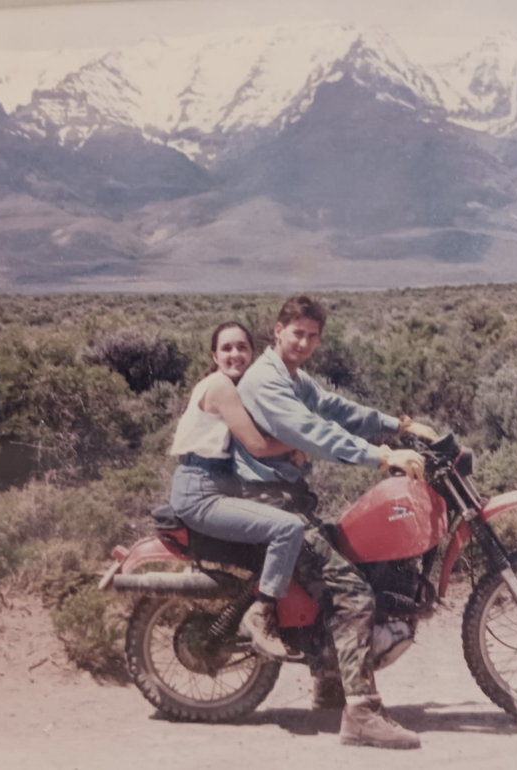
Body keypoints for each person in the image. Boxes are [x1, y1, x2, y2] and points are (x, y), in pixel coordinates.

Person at [233, 295, 437, 750]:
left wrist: (398, 425)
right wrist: (381, 456)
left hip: (290, 499)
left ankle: (329, 682)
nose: (304, 342)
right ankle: (361, 714)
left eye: (313, 336)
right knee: (354, 594)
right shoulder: (266, 381)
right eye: (297, 333)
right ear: (278, 330)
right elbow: (312, 431)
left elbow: (335, 408)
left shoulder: (292, 376)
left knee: (350, 564)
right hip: (272, 505)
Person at [162, 321, 306, 660]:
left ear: (251, 352)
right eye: (226, 348)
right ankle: (261, 615)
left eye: (241, 347)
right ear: (214, 355)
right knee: (289, 528)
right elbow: (256, 445)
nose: (235, 354)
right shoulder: (221, 387)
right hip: (201, 492)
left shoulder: (231, 388)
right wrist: (301, 442)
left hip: (214, 486)